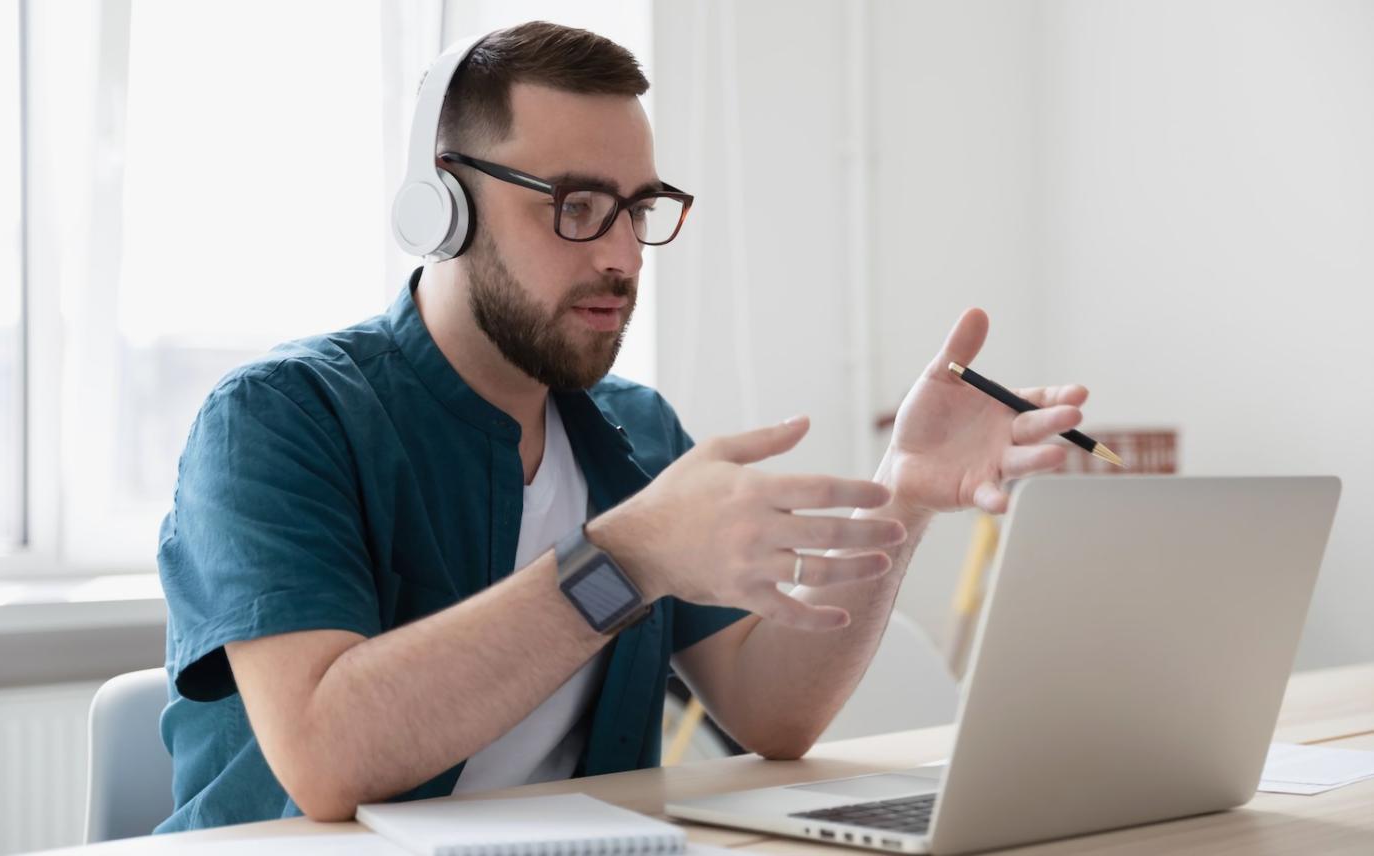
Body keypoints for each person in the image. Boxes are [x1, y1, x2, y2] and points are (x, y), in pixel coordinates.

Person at [155, 20, 1088, 832]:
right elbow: (325, 762)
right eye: (574, 206)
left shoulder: (635, 428)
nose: (619, 255)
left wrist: (905, 495)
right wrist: (624, 562)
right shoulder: (279, 419)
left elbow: (773, 714)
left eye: (637, 208)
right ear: (443, 204)